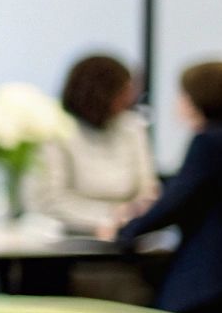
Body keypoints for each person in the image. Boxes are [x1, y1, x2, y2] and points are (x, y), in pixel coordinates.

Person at [108, 60, 222, 313]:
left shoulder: (209, 142)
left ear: (199, 97)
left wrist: (125, 230)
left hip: (209, 280)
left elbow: (176, 203)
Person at [27, 54, 159, 232]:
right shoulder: (55, 128)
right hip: (69, 237)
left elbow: (147, 190)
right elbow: (50, 199)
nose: (128, 100)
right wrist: (111, 215)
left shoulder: (132, 126)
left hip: (127, 232)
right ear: (99, 94)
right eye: (122, 93)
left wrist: (132, 214)